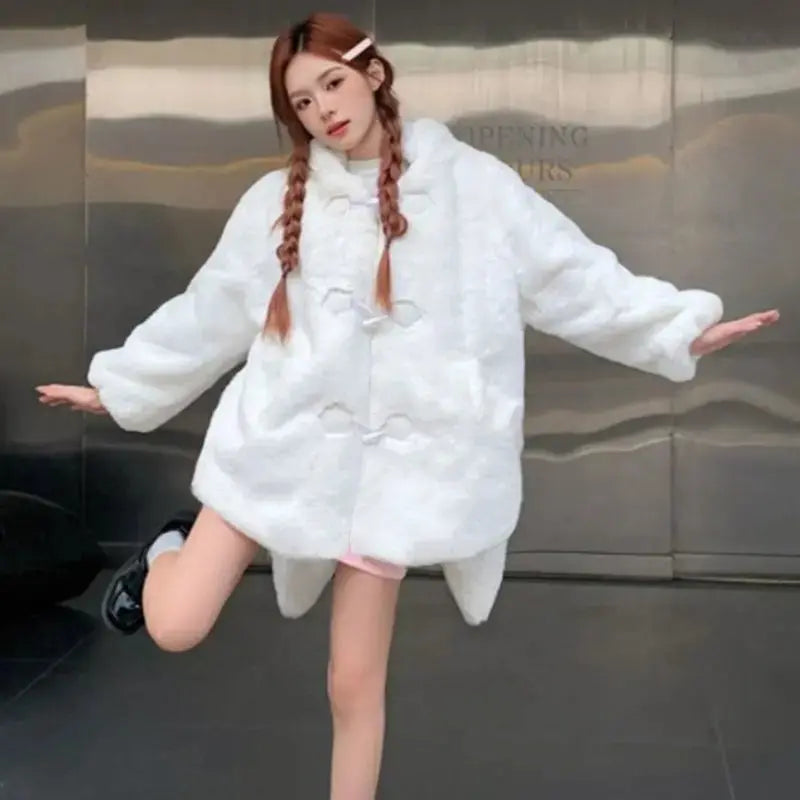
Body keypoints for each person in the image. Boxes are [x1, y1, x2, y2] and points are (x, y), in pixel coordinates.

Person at [36, 12, 779, 799]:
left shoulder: (474, 187)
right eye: (303, 102)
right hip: (276, 449)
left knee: (353, 684)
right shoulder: (276, 201)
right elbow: (210, 310)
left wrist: (675, 329)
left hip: (395, 476)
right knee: (176, 625)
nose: (324, 109)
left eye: (332, 83)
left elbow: (572, 275)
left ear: (373, 73)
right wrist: (123, 385)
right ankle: (167, 551)